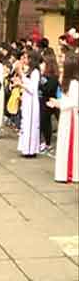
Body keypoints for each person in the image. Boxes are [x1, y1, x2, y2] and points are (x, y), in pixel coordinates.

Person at [47, 52, 79, 183]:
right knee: (63, 142)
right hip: (67, 115)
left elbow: (74, 101)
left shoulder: (74, 83)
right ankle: (63, 172)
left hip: (72, 116)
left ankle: (69, 173)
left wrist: (58, 103)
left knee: (69, 143)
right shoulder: (69, 82)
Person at [14, 50, 41, 157]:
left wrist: (21, 83)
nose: (24, 60)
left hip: (32, 101)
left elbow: (32, 88)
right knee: (25, 124)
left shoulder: (35, 72)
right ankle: (26, 148)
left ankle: (30, 150)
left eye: (26, 58)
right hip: (27, 100)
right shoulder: (30, 71)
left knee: (31, 125)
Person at [38, 51, 60, 153]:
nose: (41, 65)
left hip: (50, 101)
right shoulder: (43, 75)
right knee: (43, 122)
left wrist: (40, 83)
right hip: (43, 101)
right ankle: (44, 142)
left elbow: (48, 89)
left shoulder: (53, 76)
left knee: (46, 122)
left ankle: (47, 143)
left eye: (43, 63)